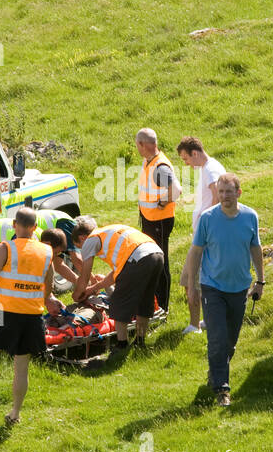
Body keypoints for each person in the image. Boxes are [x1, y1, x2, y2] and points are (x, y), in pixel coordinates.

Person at [181, 174, 263, 407]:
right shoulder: (208, 218)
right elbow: (195, 252)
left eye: (229, 191)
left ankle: (216, 371)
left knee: (230, 342)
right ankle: (221, 389)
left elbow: (255, 248)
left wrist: (260, 281)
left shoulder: (250, 216)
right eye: (221, 192)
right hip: (212, 286)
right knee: (217, 338)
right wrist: (193, 285)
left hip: (239, 287)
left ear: (238, 192)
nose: (224, 196)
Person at [0, 207, 53, 427]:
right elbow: (48, 288)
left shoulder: (5, 247)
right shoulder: (47, 252)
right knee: (21, 366)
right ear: (35, 228)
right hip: (33, 315)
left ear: (14, 225)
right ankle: (15, 414)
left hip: (4, 312)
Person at [0, 209, 77, 337]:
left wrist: (50, 298)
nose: (54, 257)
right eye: (55, 253)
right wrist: (47, 299)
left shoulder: (40, 241)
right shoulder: (28, 243)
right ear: (48, 245)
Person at [70, 215, 163, 349]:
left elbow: (84, 275)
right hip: (156, 254)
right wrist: (93, 288)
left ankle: (122, 344)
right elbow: (117, 273)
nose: (82, 251)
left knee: (119, 302)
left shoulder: (90, 240)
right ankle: (140, 342)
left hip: (137, 258)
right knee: (145, 300)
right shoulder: (110, 233)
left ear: (82, 238)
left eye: (79, 247)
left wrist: (77, 294)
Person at [175, 136, 225, 334]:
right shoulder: (210, 167)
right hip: (208, 235)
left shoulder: (211, 168)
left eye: (186, 159)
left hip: (205, 236)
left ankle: (194, 325)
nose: (187, 164)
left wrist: (207, 226)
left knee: (190, 278)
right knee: (208, 280)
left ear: (194, 153)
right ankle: (209, 320)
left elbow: (216, 195)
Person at [135, 128, 179, 315]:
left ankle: (163, 306)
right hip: (150, 219)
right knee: (153, 260)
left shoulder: (160, 166)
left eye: (137, 144)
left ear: (143, 144)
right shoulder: (149, 161)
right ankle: (155, 302)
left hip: (159, 221)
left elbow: (176, 190)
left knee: (160, 262)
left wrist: (162, 202)